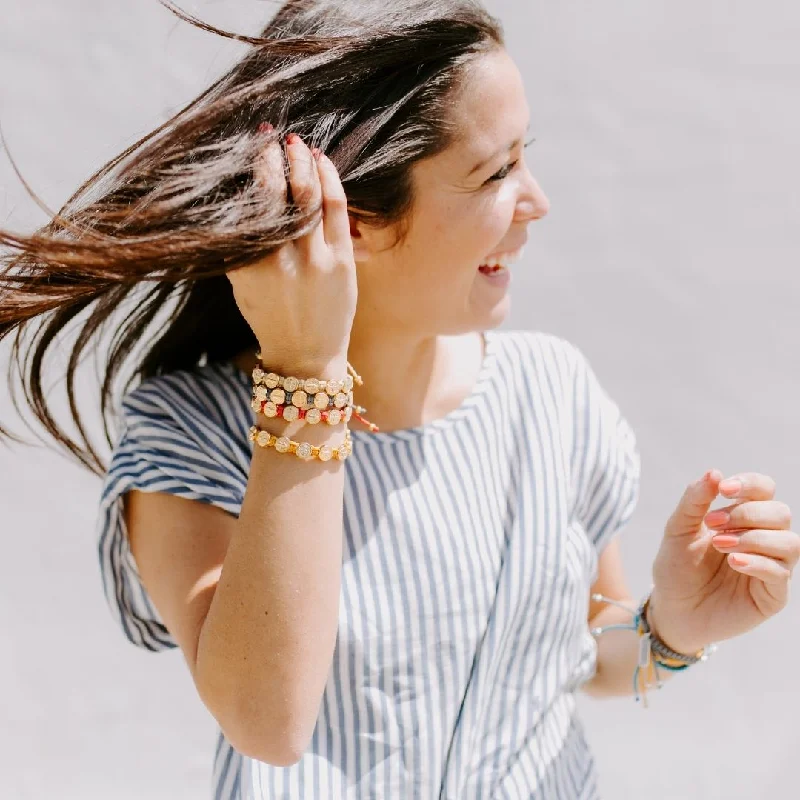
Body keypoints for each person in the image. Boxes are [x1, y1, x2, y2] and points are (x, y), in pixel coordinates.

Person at [1, 1, 797, 797]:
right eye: (496, 172)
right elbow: (268, 723)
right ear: (352, 220)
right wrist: (306, 374)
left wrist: (674, 629)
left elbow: (592, 653)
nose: (537, 200)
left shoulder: (554, 395)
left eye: (526, 157)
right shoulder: (193, 432)